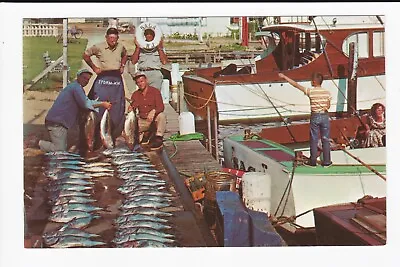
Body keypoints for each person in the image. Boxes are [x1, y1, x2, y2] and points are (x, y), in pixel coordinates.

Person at [28, 69, 112, 152]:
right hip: (57, 122)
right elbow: (85, 103)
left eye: (88, 79)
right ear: (78, 77)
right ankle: (37, 142)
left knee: (67, 144)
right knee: (60, 150)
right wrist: (102, 104)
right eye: (84, 78)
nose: (86, 81)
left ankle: (44, 138)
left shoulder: (74, 87)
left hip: (60, 122)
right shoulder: (76, 88)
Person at [83, 27, 128, 149]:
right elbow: (86, 55)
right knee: (99, 106)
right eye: (110, 38)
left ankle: (112, 134)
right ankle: (96, 136)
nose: (113, 40)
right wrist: (94, 68)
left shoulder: (120, 47)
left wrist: (123, 65)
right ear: (106, 37)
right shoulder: (98, 46)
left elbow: (125, 54)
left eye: (115, 38)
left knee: (117, 108)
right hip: (103, 78)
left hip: (117, 78)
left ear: (117, 38)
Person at [278, 72, 332, 167]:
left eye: (312, 80)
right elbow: (328, 106)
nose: (311, 81)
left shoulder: (310, 91)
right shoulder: (327, 92)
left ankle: (313, 162)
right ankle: (327, 162)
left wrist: (285, 77)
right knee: (325, 139)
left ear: (315, 82)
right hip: (324, 116)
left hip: (315, 116)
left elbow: (296, 85)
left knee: (314, 139)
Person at [128, 71, 167, 151]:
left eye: (141, 81)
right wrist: (131, 108)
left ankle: (158, 137)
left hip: (153, 119)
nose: (140, 84)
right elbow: (133, 107)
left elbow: (161, 107)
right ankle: (146, 134)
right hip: (142, 120)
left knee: (162, 116)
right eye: (138, 82)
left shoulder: (155, 91)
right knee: (131, 128)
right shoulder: (135, 94)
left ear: (146, 80)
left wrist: (154, 111)